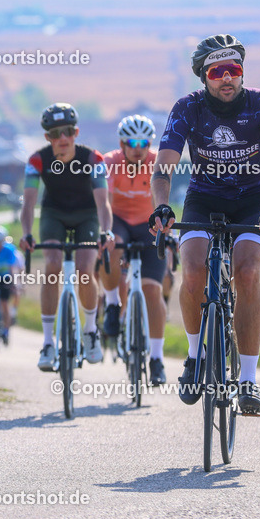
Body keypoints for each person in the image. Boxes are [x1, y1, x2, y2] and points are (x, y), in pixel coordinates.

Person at [150, 34, 260, 415]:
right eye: (217, 71)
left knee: (247, 273)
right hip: (204, 198)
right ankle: (195, 358)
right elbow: (163, 167)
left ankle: (247, 379)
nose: (227, 78)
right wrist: (162, 208)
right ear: (204, 77)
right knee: (193, 270)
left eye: (234, 69)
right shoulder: (187, 108)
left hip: (252, 200)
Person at [19, 103, 114, 371]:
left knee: (86, 269)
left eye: (68, 132)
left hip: (87, 215)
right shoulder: (37, 160)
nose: (62, 139)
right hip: (54, 214)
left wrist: (106, 231)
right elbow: (28, 204)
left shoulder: (93, 158)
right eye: (55, 133)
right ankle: (48, 342)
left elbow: (103, 204)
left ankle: (91, 330)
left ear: (76, 132)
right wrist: (26, 233)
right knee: (52, 265)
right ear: (47, 137)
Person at [99, 115, 168, 385]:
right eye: (132, 142)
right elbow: (103, 200)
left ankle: (157, 358)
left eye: (143, 142)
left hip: (148, 223)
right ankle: (113, 304)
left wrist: (168, 233)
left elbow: (165, 197)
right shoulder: (110, 162)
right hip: (119, 220)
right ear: (122, 143)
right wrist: (103, 231)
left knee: (153, 289)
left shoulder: (157, 162)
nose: (138, 147)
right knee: (112, 242)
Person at [0, 225, 20, 344]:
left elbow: (12, 268)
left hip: (5, 278)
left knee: (4, 303)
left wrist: (13, 282)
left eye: (0, 241)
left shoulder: (9, 250)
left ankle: (6, 330)